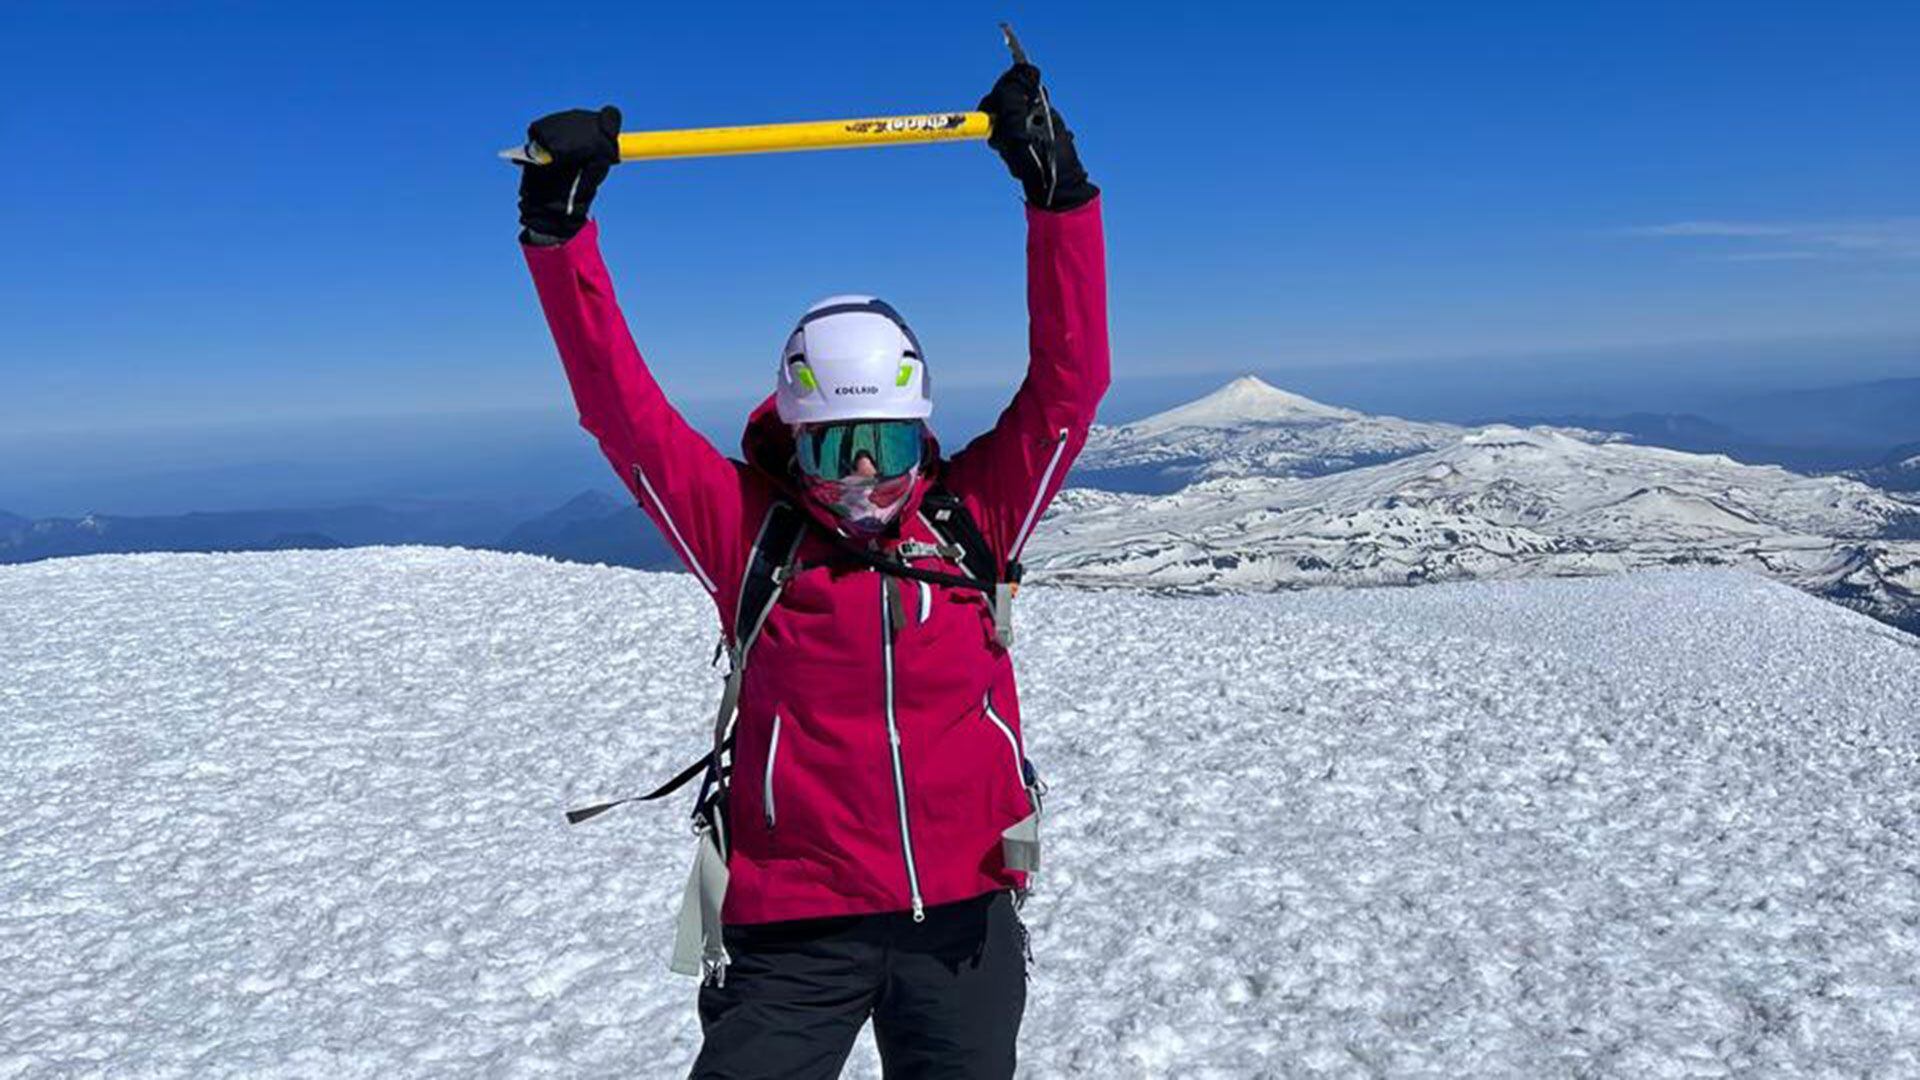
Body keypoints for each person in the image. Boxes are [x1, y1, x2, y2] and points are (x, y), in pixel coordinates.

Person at [518, 60, 1108, 1079]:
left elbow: (1072, 381)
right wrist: (558, 238)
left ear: (923, 432)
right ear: (793, 441)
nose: (866, 477)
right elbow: (624, 415)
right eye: (836, 447)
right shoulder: (751, 536)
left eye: (885, 441)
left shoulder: (974, 517)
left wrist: (1058, 197)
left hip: (962, 920)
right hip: (796, 927)